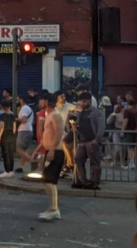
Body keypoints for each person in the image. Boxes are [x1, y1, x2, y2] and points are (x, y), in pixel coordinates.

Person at [36, 93, 65, 221]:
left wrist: (52, 150)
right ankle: (53, 207)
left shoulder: (56, 115)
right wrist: (36, 151)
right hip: (49, 150)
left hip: (56, 151)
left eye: (41, 100)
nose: (40, 103)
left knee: (49, 180)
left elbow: (59, 133)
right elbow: (46, 135)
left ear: (46, 102)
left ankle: (54, 209)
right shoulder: (49, 115)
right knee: (47, 180)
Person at [72, 91, 105, 190]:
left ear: (89, 101)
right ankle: (84, 181)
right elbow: (78, 124)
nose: (82, 103)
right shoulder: (81, 113)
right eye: (81, 101)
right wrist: (75, 127)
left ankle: (94, 183)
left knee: (94, 162)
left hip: (91, 140)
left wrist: (97, 139)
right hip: (82, 140)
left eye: (84, 101)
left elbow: (101, 127)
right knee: (78, 160)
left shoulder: (97, 113)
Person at [0, 99, 17, 178]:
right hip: (12, 136)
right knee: (11, 153)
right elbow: (14, 127)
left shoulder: (2, 115)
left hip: (5, 135)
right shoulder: (12, 115)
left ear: (1, 107)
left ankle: (7, 170)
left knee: (5, 153)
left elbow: (2, 127)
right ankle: (11, 170)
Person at [15, 96, 35, 175]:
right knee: (24, 150)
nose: (17, 101)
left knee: (19, 149)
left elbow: (24, 120)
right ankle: (21, 167)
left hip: (24, 130)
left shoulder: (24, 108)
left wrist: (16, 119)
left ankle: (32, 162)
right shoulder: (29, 108)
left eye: (18, 99)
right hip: (28, 129)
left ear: (21, 100)